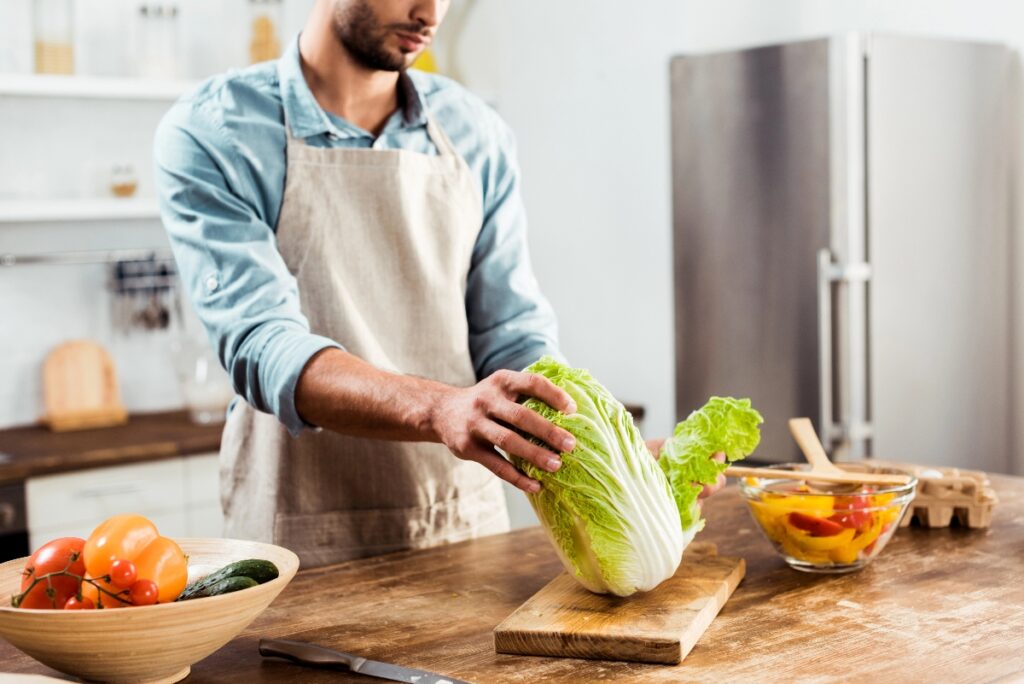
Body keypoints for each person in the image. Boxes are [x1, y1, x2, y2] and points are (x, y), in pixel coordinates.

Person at [156, 0, 722, 568]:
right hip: (299, 541)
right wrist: (439, 409)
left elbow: (512, 336)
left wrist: (602, 455)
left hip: (461, 527)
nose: (429, 11)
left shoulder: (477, 133)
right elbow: (264, 347)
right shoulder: (216, 132)